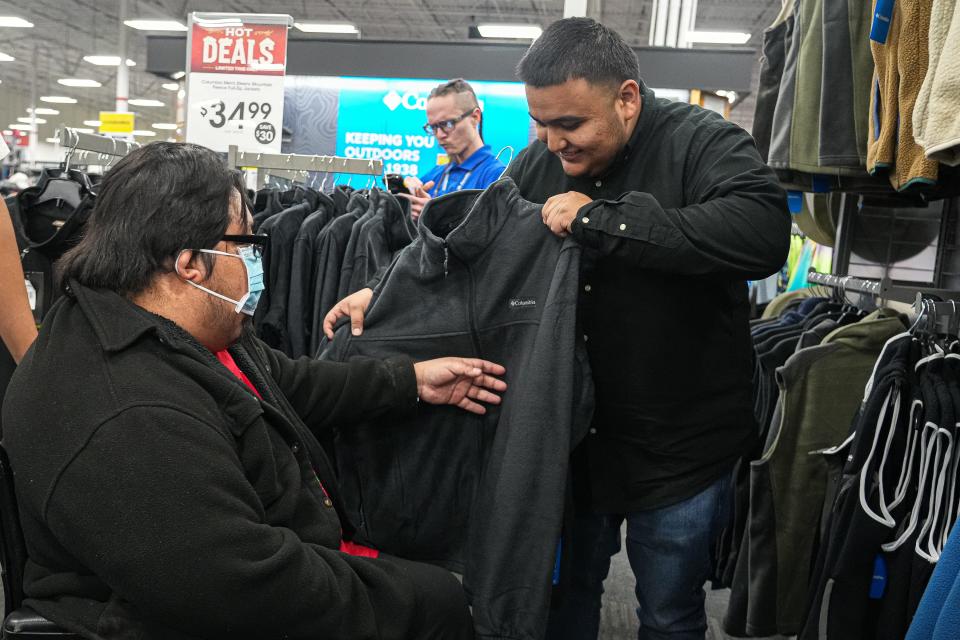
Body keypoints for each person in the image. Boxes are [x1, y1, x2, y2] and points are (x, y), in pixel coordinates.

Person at [323, 17, 791, 640]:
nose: (552, 143)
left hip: (681, 444)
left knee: (671, 615)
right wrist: (380, 296)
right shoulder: (537, 164)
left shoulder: (700, 141)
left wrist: (604, 221)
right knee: (565, 606)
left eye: (569, 125)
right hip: (571, 446)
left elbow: (761, 234)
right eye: (541, 125)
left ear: (627, 98)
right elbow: (469, 253)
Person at [1, 142, 509, 639]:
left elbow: (288, 381)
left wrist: (411, 380)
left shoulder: (168, 327)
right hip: (188, 612)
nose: (255, 261)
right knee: (444, 598)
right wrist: (420, 597)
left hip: (261, 560)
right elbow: (246, 589)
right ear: (190, 264)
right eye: (245, 244)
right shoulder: (130, 414)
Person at [400, 78, 506, 219]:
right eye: (433, 127)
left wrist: (433, 216)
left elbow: (490, 235)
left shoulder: (497, 177)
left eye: (448, 124)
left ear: (475, 117)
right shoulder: (435, 175)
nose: (440, 135)